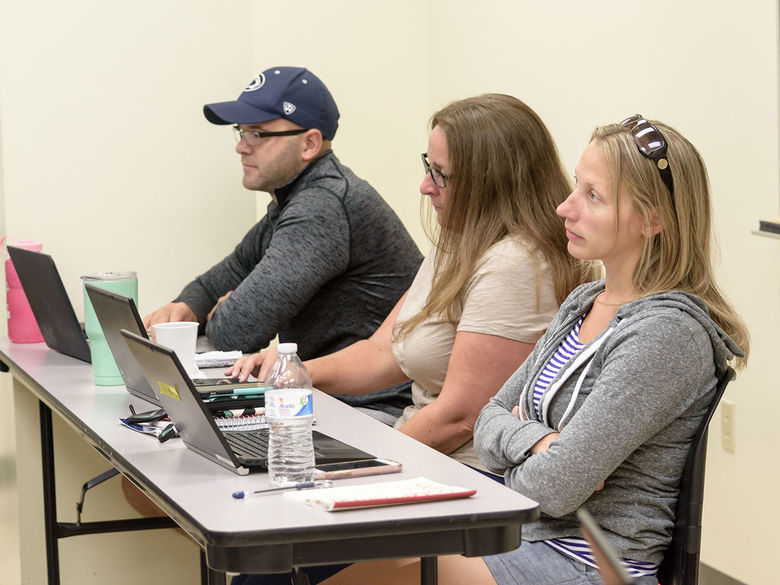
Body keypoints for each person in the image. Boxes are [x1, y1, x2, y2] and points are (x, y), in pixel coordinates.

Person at [320, 115, 749, 585]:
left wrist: (531, 456)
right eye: (575, 187)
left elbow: (554, 489)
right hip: (527, 532)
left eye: (593, 196)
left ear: (654, 219)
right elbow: (490, 418)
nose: (566, 208)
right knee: (349, 564)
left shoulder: (668, 334)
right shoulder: (586, 301)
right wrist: (540, 443)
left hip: (586, 562)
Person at [228, 93, 595, 585]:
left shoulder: (516, 264)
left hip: (469, 474)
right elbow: (384, 352)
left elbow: (461, 417)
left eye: (440, 174)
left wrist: (355, 474)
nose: (425, 186)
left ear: (489, 183)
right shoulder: (459, 241)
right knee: (267, 553)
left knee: (271, 566)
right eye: (429, 166)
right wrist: (292, 371)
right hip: (420, 451)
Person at [144, 66, 422, 419]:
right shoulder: (293, 201)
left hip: (372, 408)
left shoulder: (322, 206)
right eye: (241, 132)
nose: (242, 147)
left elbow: (235, 332)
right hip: (322, 396)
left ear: (309, 143)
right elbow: (213, 283)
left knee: (174, 441)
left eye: (258, 134)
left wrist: (221, 311)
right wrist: (190, 306)